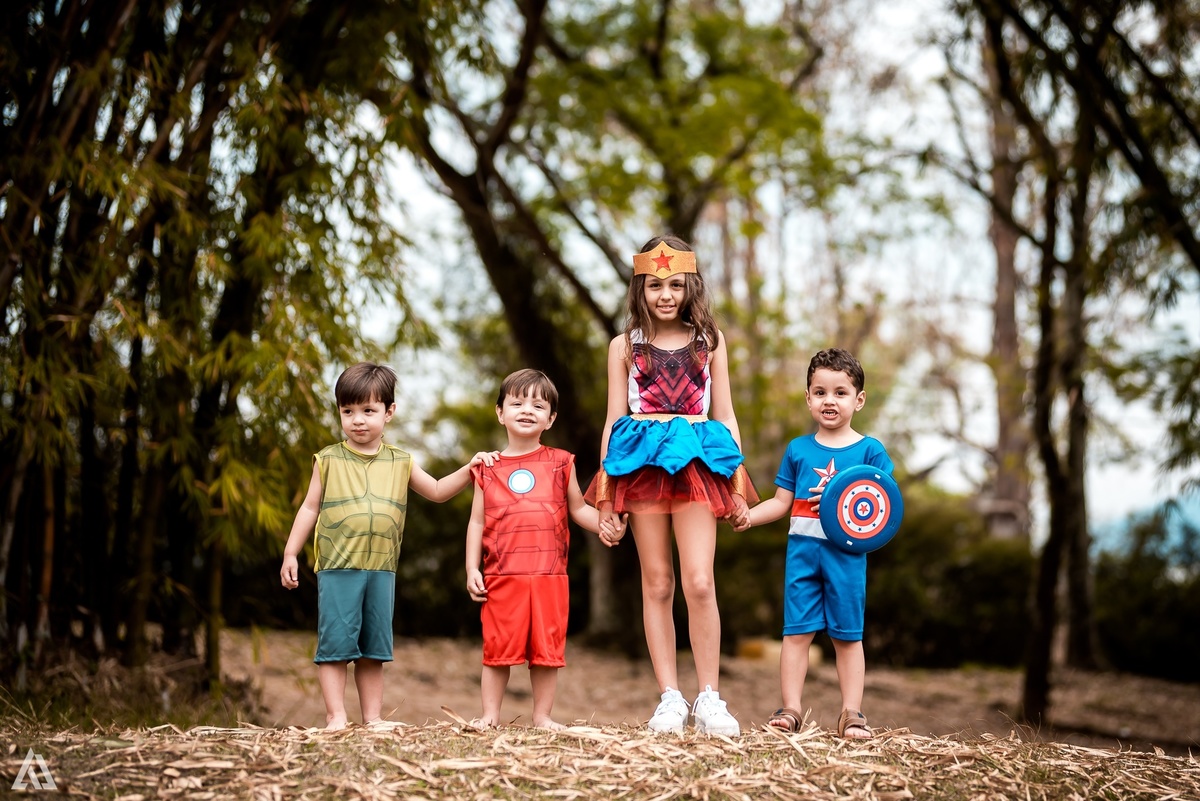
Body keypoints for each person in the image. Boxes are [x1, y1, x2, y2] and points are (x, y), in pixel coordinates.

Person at [587, 235, 757, 736]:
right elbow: (614, 420)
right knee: (658, 582)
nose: (666, 295)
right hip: (641, 466)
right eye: (656, 285)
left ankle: (710, 698)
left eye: (676, 285)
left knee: (699, 581)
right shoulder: (625, 346)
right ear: (640, 288)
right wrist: (605, 497)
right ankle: (669, 697)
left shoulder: (710, 341)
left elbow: (725, 416)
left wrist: (738, 484)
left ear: (691, 287)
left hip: (698, 464)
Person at [280, 361, 497, 730]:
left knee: (373, 650)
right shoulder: (328, 459)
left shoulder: (401, 461)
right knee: (335, 647)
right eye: (348, 411)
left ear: (389, 412)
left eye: (368, 411)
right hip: (338, 567)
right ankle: (336, 717)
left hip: (382, 570)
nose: (357, 420)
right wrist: (290, 553)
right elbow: (309, 508)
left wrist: (471, 467)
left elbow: (438, 491)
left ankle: (373, 718)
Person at [733, 347, 893, 739]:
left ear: (859, 400)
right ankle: (790, 709)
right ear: (808, 398)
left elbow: (884, 503)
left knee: (847, 635)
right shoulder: (798, 450)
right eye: (820, 392)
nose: (829, 400)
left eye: (840, 392)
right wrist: (748, 516)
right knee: (796, 633)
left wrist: (843, 497)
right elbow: (781, 503)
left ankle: (852, 713)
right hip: (802, 556)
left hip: (846, 558)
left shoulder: (870, 451)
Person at [465, 369, 627, 730]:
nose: (527, 410)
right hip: (501, 575)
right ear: (500, 412)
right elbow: (476, 521)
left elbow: (579, 509)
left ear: (550, 419)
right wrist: (472, 568)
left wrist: (607, 525)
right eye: (517, 403)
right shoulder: (487, 468)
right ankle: (490, 716)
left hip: (550, 576)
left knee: (546, 651)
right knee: (497, 650)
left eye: (538, 405)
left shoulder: (561, 462)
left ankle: (542, 716)